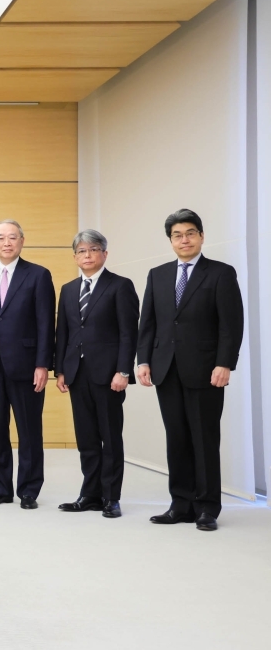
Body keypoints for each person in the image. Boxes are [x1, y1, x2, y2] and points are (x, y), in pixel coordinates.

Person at [136, 209, 244, 531]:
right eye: (177, 235)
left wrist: (225, 363)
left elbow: (231, 325)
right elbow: (148, 323)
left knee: (204, 439)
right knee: (177, 438)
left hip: (206, 371)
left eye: (190, 233)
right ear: (170, 240)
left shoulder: (221, 274)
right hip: (165, 370)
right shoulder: (157, 275)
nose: (184, 240)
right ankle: (180, 504)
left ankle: (207, 507)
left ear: (201, 236)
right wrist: (143, 360)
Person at [0, 219, 55, 510]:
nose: (7, 242)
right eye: (1, 238)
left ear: (22, 241)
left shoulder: (39, 275)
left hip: (27, 366)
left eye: (12, 237)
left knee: (29, 431)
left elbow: (46, 324)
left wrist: (43, 364)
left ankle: (29, 491)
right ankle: (0, 489)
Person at [55, 230, 138, 519]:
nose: (86, 256)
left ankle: (111, 498)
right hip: (77, 374)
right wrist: (61, 370)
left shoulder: (120, 286)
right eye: (80, 251)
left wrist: (123, 371)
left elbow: (129, 333)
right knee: (87, 438)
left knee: (110, 438)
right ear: (75, 256)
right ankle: (89, 494)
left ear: (104, 253)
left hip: (109, 376)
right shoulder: (67, 289)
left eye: (93, 250)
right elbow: (63, 332)